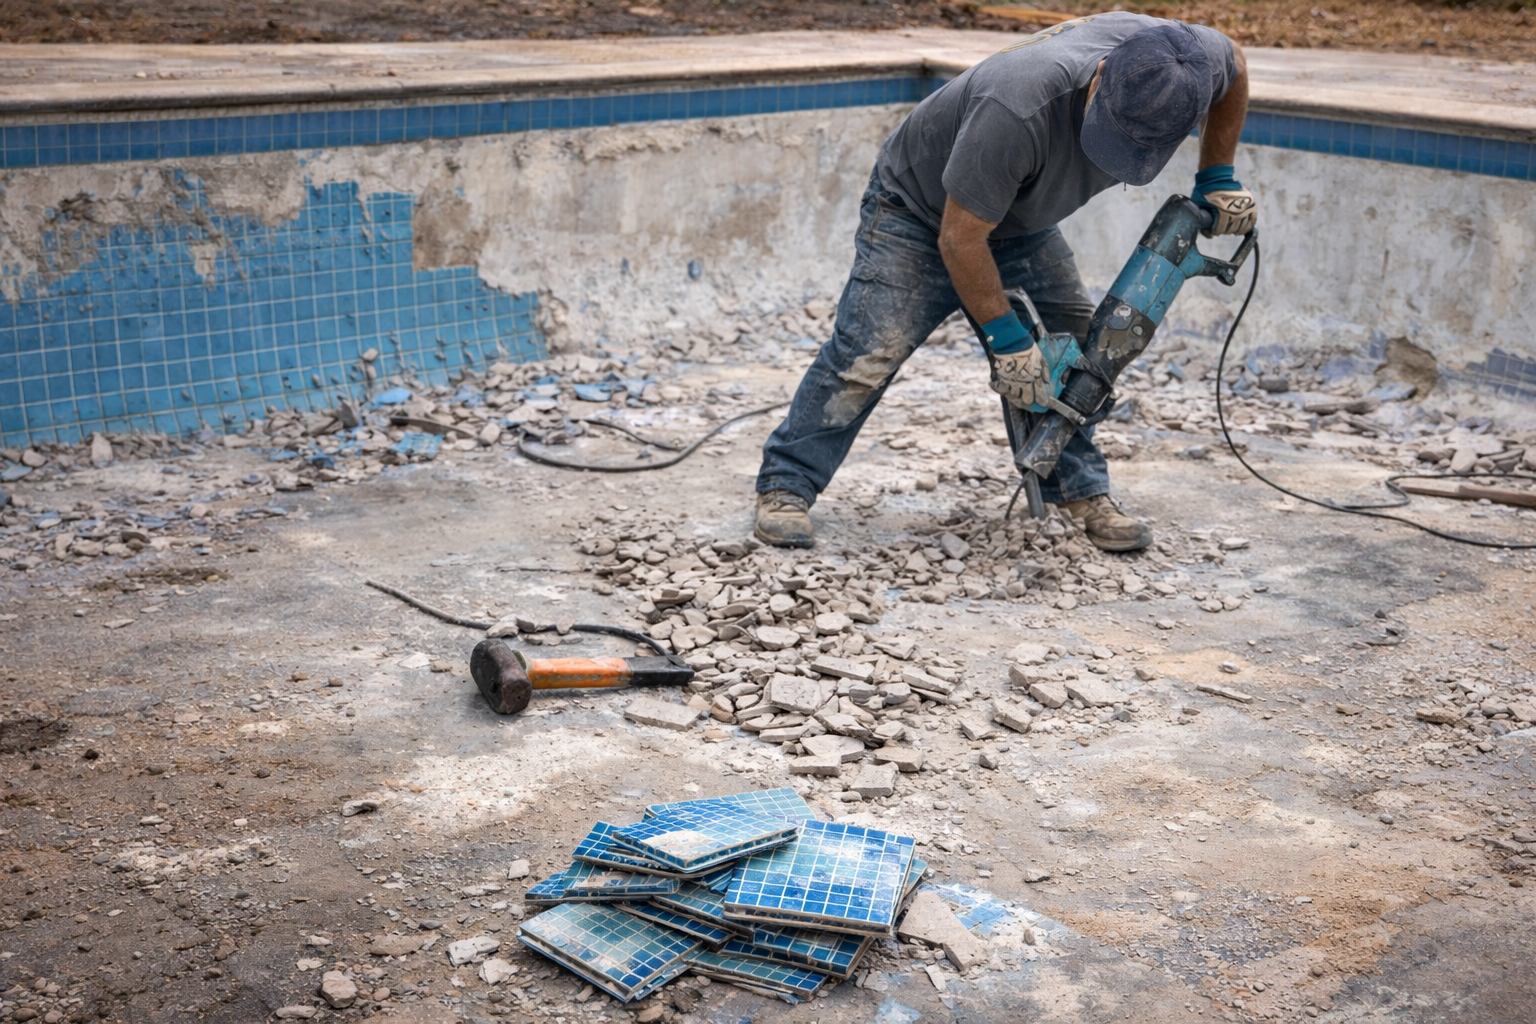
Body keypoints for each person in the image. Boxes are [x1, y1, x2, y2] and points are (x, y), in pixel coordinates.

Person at [752, 12, 1256, 552]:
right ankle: (786, 483)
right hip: (920, 216)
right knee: (867, 353)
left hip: (1019, 223)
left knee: (1076, 356)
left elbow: (1237, 69)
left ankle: (1078, 487)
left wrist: (1216, 176)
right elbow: (959, 239)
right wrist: (1007, 339)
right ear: (1102, 73)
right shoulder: (1016, 104)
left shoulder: (1194, 58)